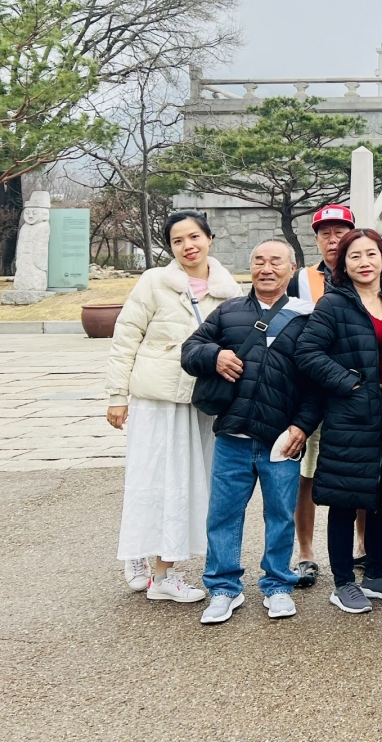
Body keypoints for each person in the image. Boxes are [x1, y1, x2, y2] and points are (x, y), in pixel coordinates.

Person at [180, 239, 322, 623]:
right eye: (259, 260)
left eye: (276, 261)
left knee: (281, 516)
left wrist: (302, 426)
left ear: (292, 269)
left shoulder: (307, 317)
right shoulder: (228, 312)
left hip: (281, 439)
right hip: (233, 436)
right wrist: (215, 355)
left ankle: (278, 585)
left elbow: (315, 384)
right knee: (224, 515)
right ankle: (223, 588)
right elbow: (190, 351)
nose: (266, 268)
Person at [105, 210, 241, 605]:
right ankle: (149, 562)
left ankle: (157, 564)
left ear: (209, 238)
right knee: (152, 479)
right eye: (178, 240)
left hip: (202, 402)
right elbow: (125, 337)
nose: (188, 246)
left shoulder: (229, 290)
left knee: (191, 484)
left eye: (194, 236)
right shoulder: (154, 282)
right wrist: (117, 394)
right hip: (157, 399)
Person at [293, 227, 382, 615]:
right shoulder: (335, 304)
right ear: (343, 263)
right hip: (351, 413)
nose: (364, 262)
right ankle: (343, 582)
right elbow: (307, 352)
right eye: (354, 256)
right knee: (346, 497)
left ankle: (375, 573)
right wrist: (351, 384)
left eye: (371, 254)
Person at [287, 204, 357, 591]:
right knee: (307, 474)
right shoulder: (302, 279)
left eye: (339, 232)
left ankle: (363, 545)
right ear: (315, 239)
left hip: (356, 392)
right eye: (325, 233)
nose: (333, 240)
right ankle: (306, 553)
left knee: (362, 470)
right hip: (313, 390)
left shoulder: (364, 272)